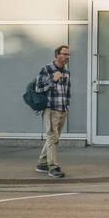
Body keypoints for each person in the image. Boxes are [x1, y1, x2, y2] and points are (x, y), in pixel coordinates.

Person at [34, 45, 71, 178]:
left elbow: (67, 92)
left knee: (54, 138)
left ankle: (42, 163)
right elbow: (38, 88)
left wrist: (67, 107)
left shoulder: (67, 72)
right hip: (51, 109)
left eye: (68, 55)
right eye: (65, 54)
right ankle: (53, 167)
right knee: (52, 137)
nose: (67, 57)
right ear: (57, 55)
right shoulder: (47, 69)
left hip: (62, 109)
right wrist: (52, 80)